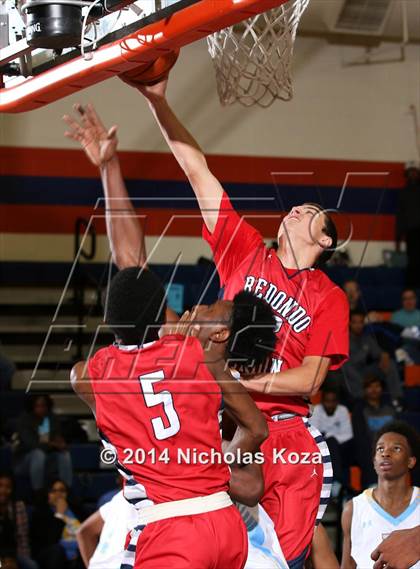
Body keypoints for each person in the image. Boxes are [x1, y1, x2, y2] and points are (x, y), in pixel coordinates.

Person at [135, 76, 349, 568]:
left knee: (279, 562)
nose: (297, 208)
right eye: (296, 205)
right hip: (224, 426)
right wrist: (157, 100)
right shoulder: (246, 253)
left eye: (312, 212)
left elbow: (311, 378)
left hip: (286, 439)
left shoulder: (328, 296)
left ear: (328, 240)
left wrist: (239, 381)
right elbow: (196, 170)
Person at [71, 265, 276, 569]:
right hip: (225, 522)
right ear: (161, 315)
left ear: (106, 322)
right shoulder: (202, 355)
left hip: (170, 526)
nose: (196, 308)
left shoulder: (88, 375)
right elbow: (258, 428)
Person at [341, 421, 420, 569]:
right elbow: (348, 565)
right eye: (380, 449)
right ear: (374, 462)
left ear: (411, 461)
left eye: (396, 448)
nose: (385, 453)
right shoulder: (353, 508)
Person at [14, 394, 72, 491]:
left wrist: (61, 444)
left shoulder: (52, 419)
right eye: (38, 406)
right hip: (24, 461)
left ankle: (66, 490)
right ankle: (38, 492)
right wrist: (51, 444)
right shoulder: (25, 420)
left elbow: (57, 439)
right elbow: (31, 444)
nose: (41, 409)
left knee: (64, 455)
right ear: (32, 406)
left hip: (47, 460)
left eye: (43, 406)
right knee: (38, 454)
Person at [343, 311, 402, 402]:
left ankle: (397, 400)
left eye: (361, 322)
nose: (358, 325)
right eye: (355, 322)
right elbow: (345, 364)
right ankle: (362, 401)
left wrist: (383, 355)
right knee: (346, 367)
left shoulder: (367, 338)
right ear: (350, 323)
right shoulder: (344, 338)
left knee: (390, 363)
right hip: (351, 374)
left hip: (365, 371)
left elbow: (378, 352)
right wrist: (364, 381)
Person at [352, 375, 396, 488]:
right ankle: (372, 486)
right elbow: (360, 436)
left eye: (377, 386)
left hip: (390, 445)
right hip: (369, 447)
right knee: (367, 450)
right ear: (365, 390)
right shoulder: (359, 409)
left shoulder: (389, 407)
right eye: (370, 387)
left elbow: (397, 430)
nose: (374, 390)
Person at [31, 479, 85, 569]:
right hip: (51, 553)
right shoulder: (40, 513)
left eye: (62, 490)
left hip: (78, 551)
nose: (58, 494)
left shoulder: (77, 510)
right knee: (57, 551)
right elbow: (50, 541)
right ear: (47, 494)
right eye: (53, 491)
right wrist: (60, 514)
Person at [311, 387, 353, 490]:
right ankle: (338, 482)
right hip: (321, 446)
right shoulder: (316, 410)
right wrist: (330, 438)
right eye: (327, 401)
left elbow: (348, 434)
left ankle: (340, 486)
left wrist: (330, 436)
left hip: (340, 445)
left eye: (333, 401)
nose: (330, 404)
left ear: (337, 401)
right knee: (331, 444)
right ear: (322, 401)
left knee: (335, 444)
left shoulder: (342, 410)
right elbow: (314, 434)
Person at [0, 471, 38, 569]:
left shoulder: (18, 506)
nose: (3, 490)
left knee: (32, 565)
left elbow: (23, 538)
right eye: (0, 486)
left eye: (8, 487)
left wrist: (18, 560)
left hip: (14, 553)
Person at [396, 163, 420, 288]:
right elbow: (400, 216)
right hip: (412, 232)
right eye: (410, 171)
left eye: (415, 171)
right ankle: (411, 289)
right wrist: (398, 239)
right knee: (413, 261)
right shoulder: (403, 193)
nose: (413, 174)